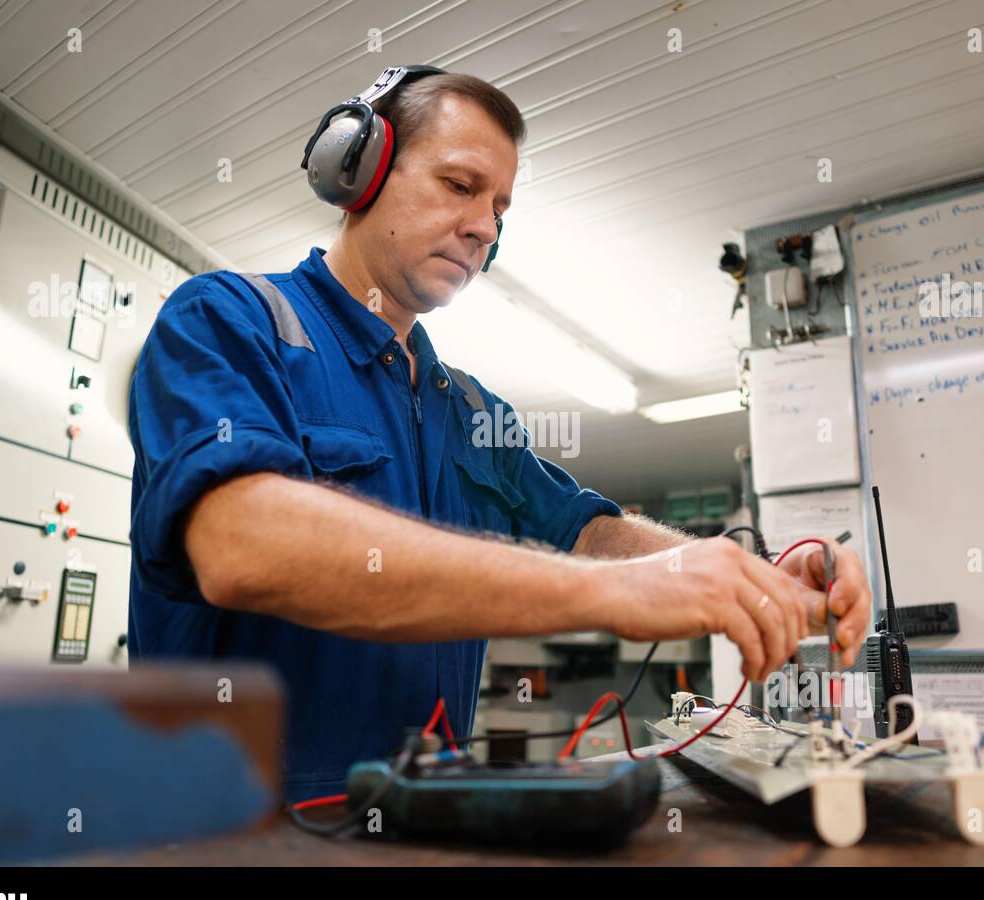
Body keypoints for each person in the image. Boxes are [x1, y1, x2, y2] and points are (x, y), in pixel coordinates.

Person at [127, 70, 872, 803]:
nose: (485, 226)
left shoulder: (466, 408)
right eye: (459, 185)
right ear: (359, 169)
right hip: (231, 830)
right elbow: (241, 547)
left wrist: (759, 579)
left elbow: (590, 534)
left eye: (499, 207)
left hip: (421, 821)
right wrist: (612, 595)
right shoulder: (227, 319)